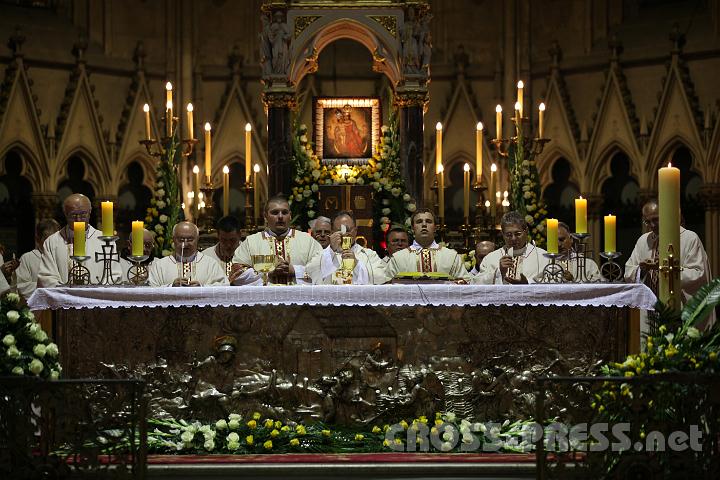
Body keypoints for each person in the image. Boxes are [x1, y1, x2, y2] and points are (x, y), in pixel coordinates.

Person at [625, 199, 711, 305]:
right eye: (647, 222)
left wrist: (665, 269)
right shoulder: (643, 241)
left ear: (667, 214)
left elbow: (699, 274)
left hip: (679, 305)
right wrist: (643, 270)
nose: (652, 225)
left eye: (656, 219)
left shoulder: (689, 238)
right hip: (651, 307)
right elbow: (629, 271)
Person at [231, 194, 322, 285]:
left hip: (298, 297)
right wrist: (268, 273)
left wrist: (295, 270)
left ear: (290, 215)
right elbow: (237, 274)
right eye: (275, 212)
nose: (280, 216)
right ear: (265, 216)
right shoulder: (251, 242)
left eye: (284, 212)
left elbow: (321, 268)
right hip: (264, 297)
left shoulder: (307, 241)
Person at [38, 193, 122, 287]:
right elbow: (46, 277)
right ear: (65, 214)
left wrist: (95, 292)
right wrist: (68, 292)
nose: (78, 220)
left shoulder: (105, 240)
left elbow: (114, 274)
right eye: (73, 215)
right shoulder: (52, 242)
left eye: (83, 215)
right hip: (64, 299)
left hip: (95, 299)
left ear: (90, 212)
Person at [386, 208, 471, 282]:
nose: (424, 225)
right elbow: (387, 287)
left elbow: (465, 283)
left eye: (428, 221)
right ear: (412, 228)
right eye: (419, 222)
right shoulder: (398, 258)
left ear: (435, 227)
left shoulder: (451, 256)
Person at [306, 211, 387, 285]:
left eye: (347, 230)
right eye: (339, 230)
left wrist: (357, 265)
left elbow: (380, 278)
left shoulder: (369, 255)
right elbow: (310, 272)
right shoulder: (324, 254)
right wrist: (331, 251)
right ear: (332, 233)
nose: (344, 234)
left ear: (355, 231)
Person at [476, 211, 549, 284]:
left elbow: (554, 283)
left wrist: (528, 283)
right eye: (508, 235)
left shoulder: (544, 257)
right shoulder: (490, 259)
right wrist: (499, 272)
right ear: (502, 234)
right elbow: (476, 284)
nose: (513, 238)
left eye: (518, 234)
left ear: (526, 232)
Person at [148, 222, 228, 287]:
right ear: (173, 240)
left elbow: (224, 286)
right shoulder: (161, 265)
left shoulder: (210, 264)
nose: (185, 244)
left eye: (190, 240)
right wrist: (171, 286)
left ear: (197, 239)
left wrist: (202, 287)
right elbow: (151, 289)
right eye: (181, 240)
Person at [13, 219, 60, 299]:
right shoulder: (28, 258)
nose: (52, 244)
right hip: (37, 307)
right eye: (48, 240)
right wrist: (49, 287)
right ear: (37, 239)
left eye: (55, 240)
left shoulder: (63, 256)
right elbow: (22, 286)